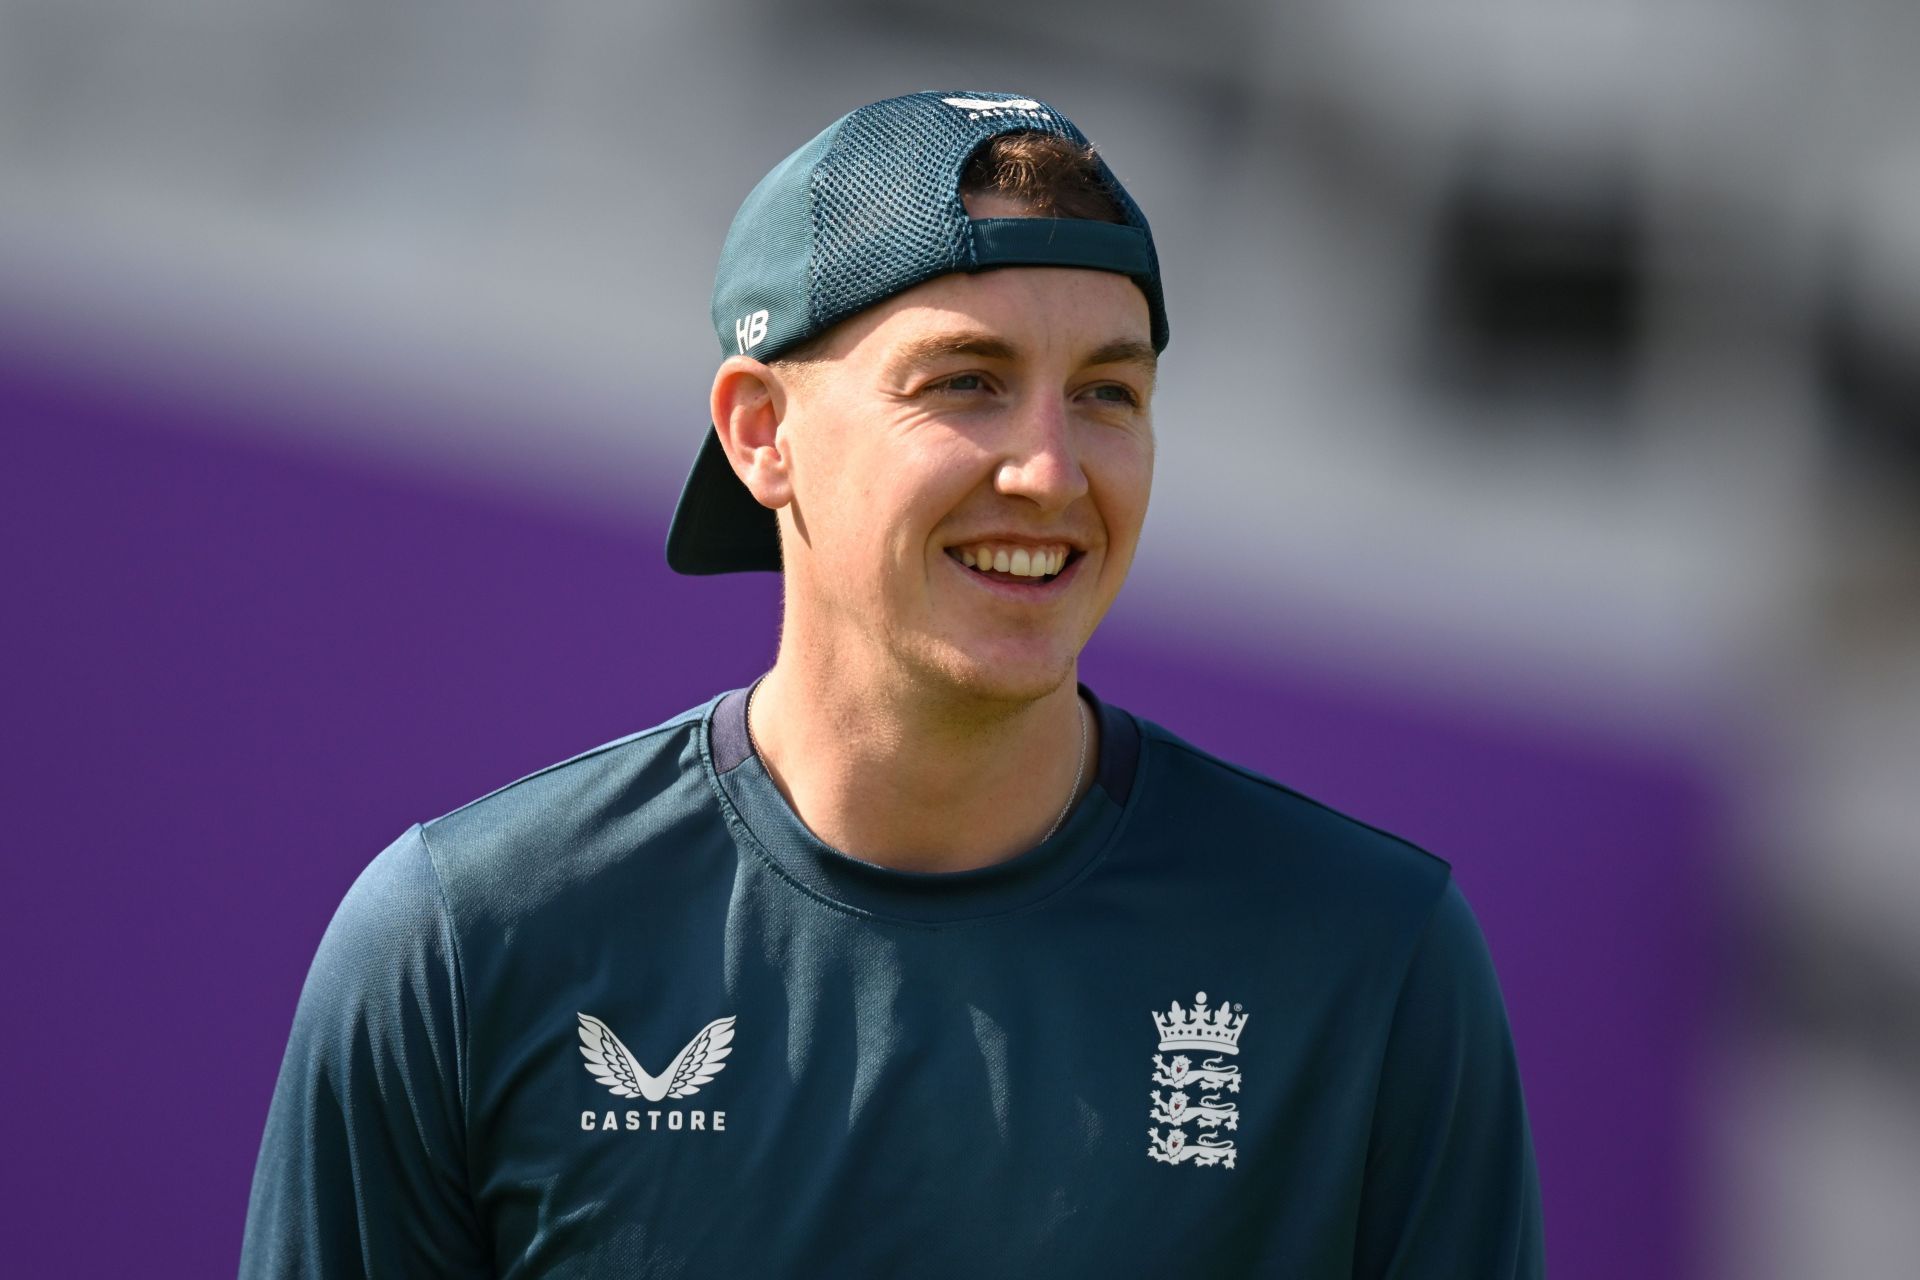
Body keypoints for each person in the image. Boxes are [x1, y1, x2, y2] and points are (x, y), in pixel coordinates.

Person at [241, 90, 1544, 1277]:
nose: (1049, 471)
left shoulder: (1370, 957)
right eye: (967, 384)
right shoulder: (465, 945)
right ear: (762, 432)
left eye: (1107, 394)